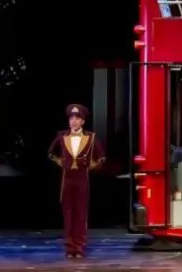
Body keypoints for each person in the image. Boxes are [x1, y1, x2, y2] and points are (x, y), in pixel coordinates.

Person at [48, 105, 104, 259]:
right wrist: (62, 163)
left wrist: (90, 166)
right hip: (67, 180)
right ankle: (69, 247)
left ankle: (79, 247)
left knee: (80, 214)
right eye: (71, 118)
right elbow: (51, 153)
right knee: (68, 214)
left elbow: (101, 157)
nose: (73, 121)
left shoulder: (91, 138)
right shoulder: (62, 136)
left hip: (82, 180)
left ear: (82, 121)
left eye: (77, 118)